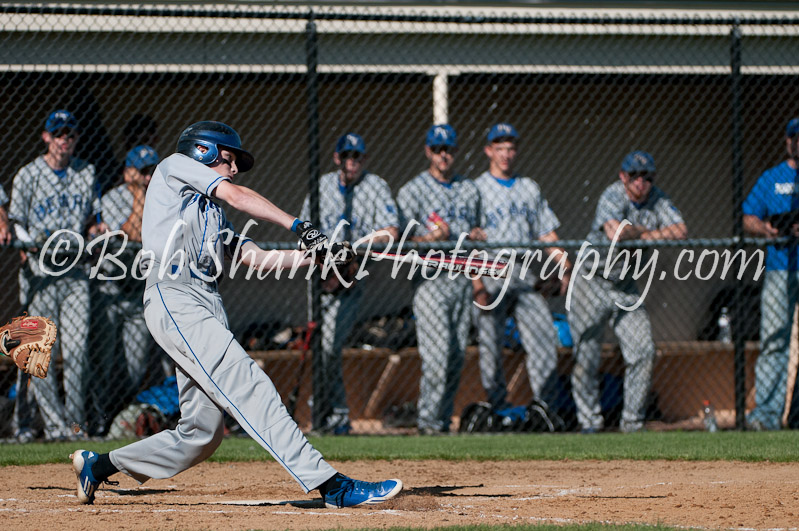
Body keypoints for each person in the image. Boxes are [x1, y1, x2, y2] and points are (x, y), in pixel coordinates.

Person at [70, 121, 402, 508]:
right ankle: (331, 485)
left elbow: (256, 258)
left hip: (205, 304)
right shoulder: (174, 167)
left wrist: (320, 257)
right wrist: (300, 226)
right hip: (174, 295)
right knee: (248, 382)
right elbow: (238, 195)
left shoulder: (210, 214)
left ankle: (98, 466)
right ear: (202, 152)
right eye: (228, 159)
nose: (233, 168)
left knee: (201, 434)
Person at [568, 150, 686, 434]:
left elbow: (681, 230)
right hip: (591, 280)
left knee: (643, 350)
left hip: (625, 286)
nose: (641, 182)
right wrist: (651, 233)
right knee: (586, 354)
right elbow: (615, 232)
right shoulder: (612, 195)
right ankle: (589, 423)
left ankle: (632, 424)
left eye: (647, 177)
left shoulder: (658, 198)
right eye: (634, 176)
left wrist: (641, 233)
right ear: (623, 177)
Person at [9, 109, 106, 441]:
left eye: (71, 133)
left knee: (77, 352)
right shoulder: (28, 174)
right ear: (46, 137)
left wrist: (96, 229)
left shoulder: (86, 172)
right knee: (40, 352)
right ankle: (53, 428)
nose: (65, 138)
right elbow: (15, 221)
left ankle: (75, 427)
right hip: (40, 273)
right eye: (59, 132)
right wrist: (29, 246)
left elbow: (93, 218)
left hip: (75, 271)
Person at [300, 133, 399, 434]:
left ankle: (331, 412)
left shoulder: (375, 186)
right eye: (347, 156)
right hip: (319, 278)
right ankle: (333, 416)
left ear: (364, 160)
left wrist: (352, 253)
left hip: (352, 277)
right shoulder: (322, 187)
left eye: (357, 157)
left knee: (330, 346)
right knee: (321, 348)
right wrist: (324, 264)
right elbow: (305, 229)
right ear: (337, 158)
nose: (352, 162)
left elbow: (390, 232)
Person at [472, 123, 570, 411]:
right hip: (490, 267)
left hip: (524, 270)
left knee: (542, 336)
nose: (506, 154)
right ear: (488, 150)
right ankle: (497, 406)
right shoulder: (476, 189)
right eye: (499, 147)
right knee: (490, 343)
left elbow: (547, 234)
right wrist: (477, 283)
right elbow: (468, 243)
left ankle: (545, 408)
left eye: (511, 148)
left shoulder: (529, 188)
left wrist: (565, 266)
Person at [396, 124, 484, 435]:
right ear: (427, 151)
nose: (443, 154)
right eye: (437, 149)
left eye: (448, 149)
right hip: (430, 279)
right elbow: (402, 242)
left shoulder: (469, 189)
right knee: (437, 356)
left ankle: (443, 422)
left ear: (455, 152)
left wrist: (476, 237)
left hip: (461, 278)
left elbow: (477, 233)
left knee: (457, 355)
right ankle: (429, 423)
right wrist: (431, 238)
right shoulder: (412, 191)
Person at [88, 145, 159, 436]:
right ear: (127, 173)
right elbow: (131, 233)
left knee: (134, 364)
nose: (147, 177)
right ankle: (95, 421)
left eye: (151, 171)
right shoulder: (113, 198)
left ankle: (119, 420)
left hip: (137, 292)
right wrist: (139, 197)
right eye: (142, 171)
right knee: (102, 363)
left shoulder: (162, 199)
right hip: (109, 289)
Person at [742, 117, 799, 431]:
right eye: (796, 137)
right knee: (775, 339)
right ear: (788, 141)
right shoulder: (771, 178)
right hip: (780, 268)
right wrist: (765, 228)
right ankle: (766, 414)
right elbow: (748, 217)